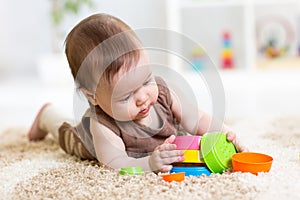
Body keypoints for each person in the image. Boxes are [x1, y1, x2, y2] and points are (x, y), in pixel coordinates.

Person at [28, 13, 247, 173]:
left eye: (146, 80)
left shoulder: (164, 94)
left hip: (157, 146)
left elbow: (198, 119)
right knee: (64, 133)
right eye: (126, 96)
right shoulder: (102, 125)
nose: (142, 97)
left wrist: (225, 134)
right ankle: (47, 115)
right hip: (85, 140)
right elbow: (116, 163)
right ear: (93, 97)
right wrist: (149, 164)